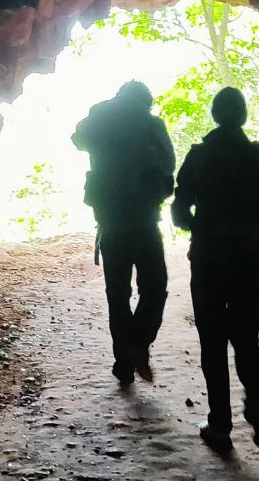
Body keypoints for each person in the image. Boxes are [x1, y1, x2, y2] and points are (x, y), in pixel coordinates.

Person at [171, 86, 259, 451]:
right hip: (247, 255)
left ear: (215, 115)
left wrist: (197, 226)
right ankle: (255, 402)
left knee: (212, 340)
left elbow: (178, 210)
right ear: (242, 116)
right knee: (246, 336)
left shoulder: (199, 155)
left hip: (209, 255)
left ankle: (220, 423)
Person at [72, 81, 175, 385]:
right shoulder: (151, 124)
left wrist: (104, 113)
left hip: (111, 223)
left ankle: (125, 361)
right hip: (144, 221)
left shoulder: (101, 117)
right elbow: (169, 164)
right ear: (145, 101)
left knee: (117, 296)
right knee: (155, 289)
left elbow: (78, 138)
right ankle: (138, 345)